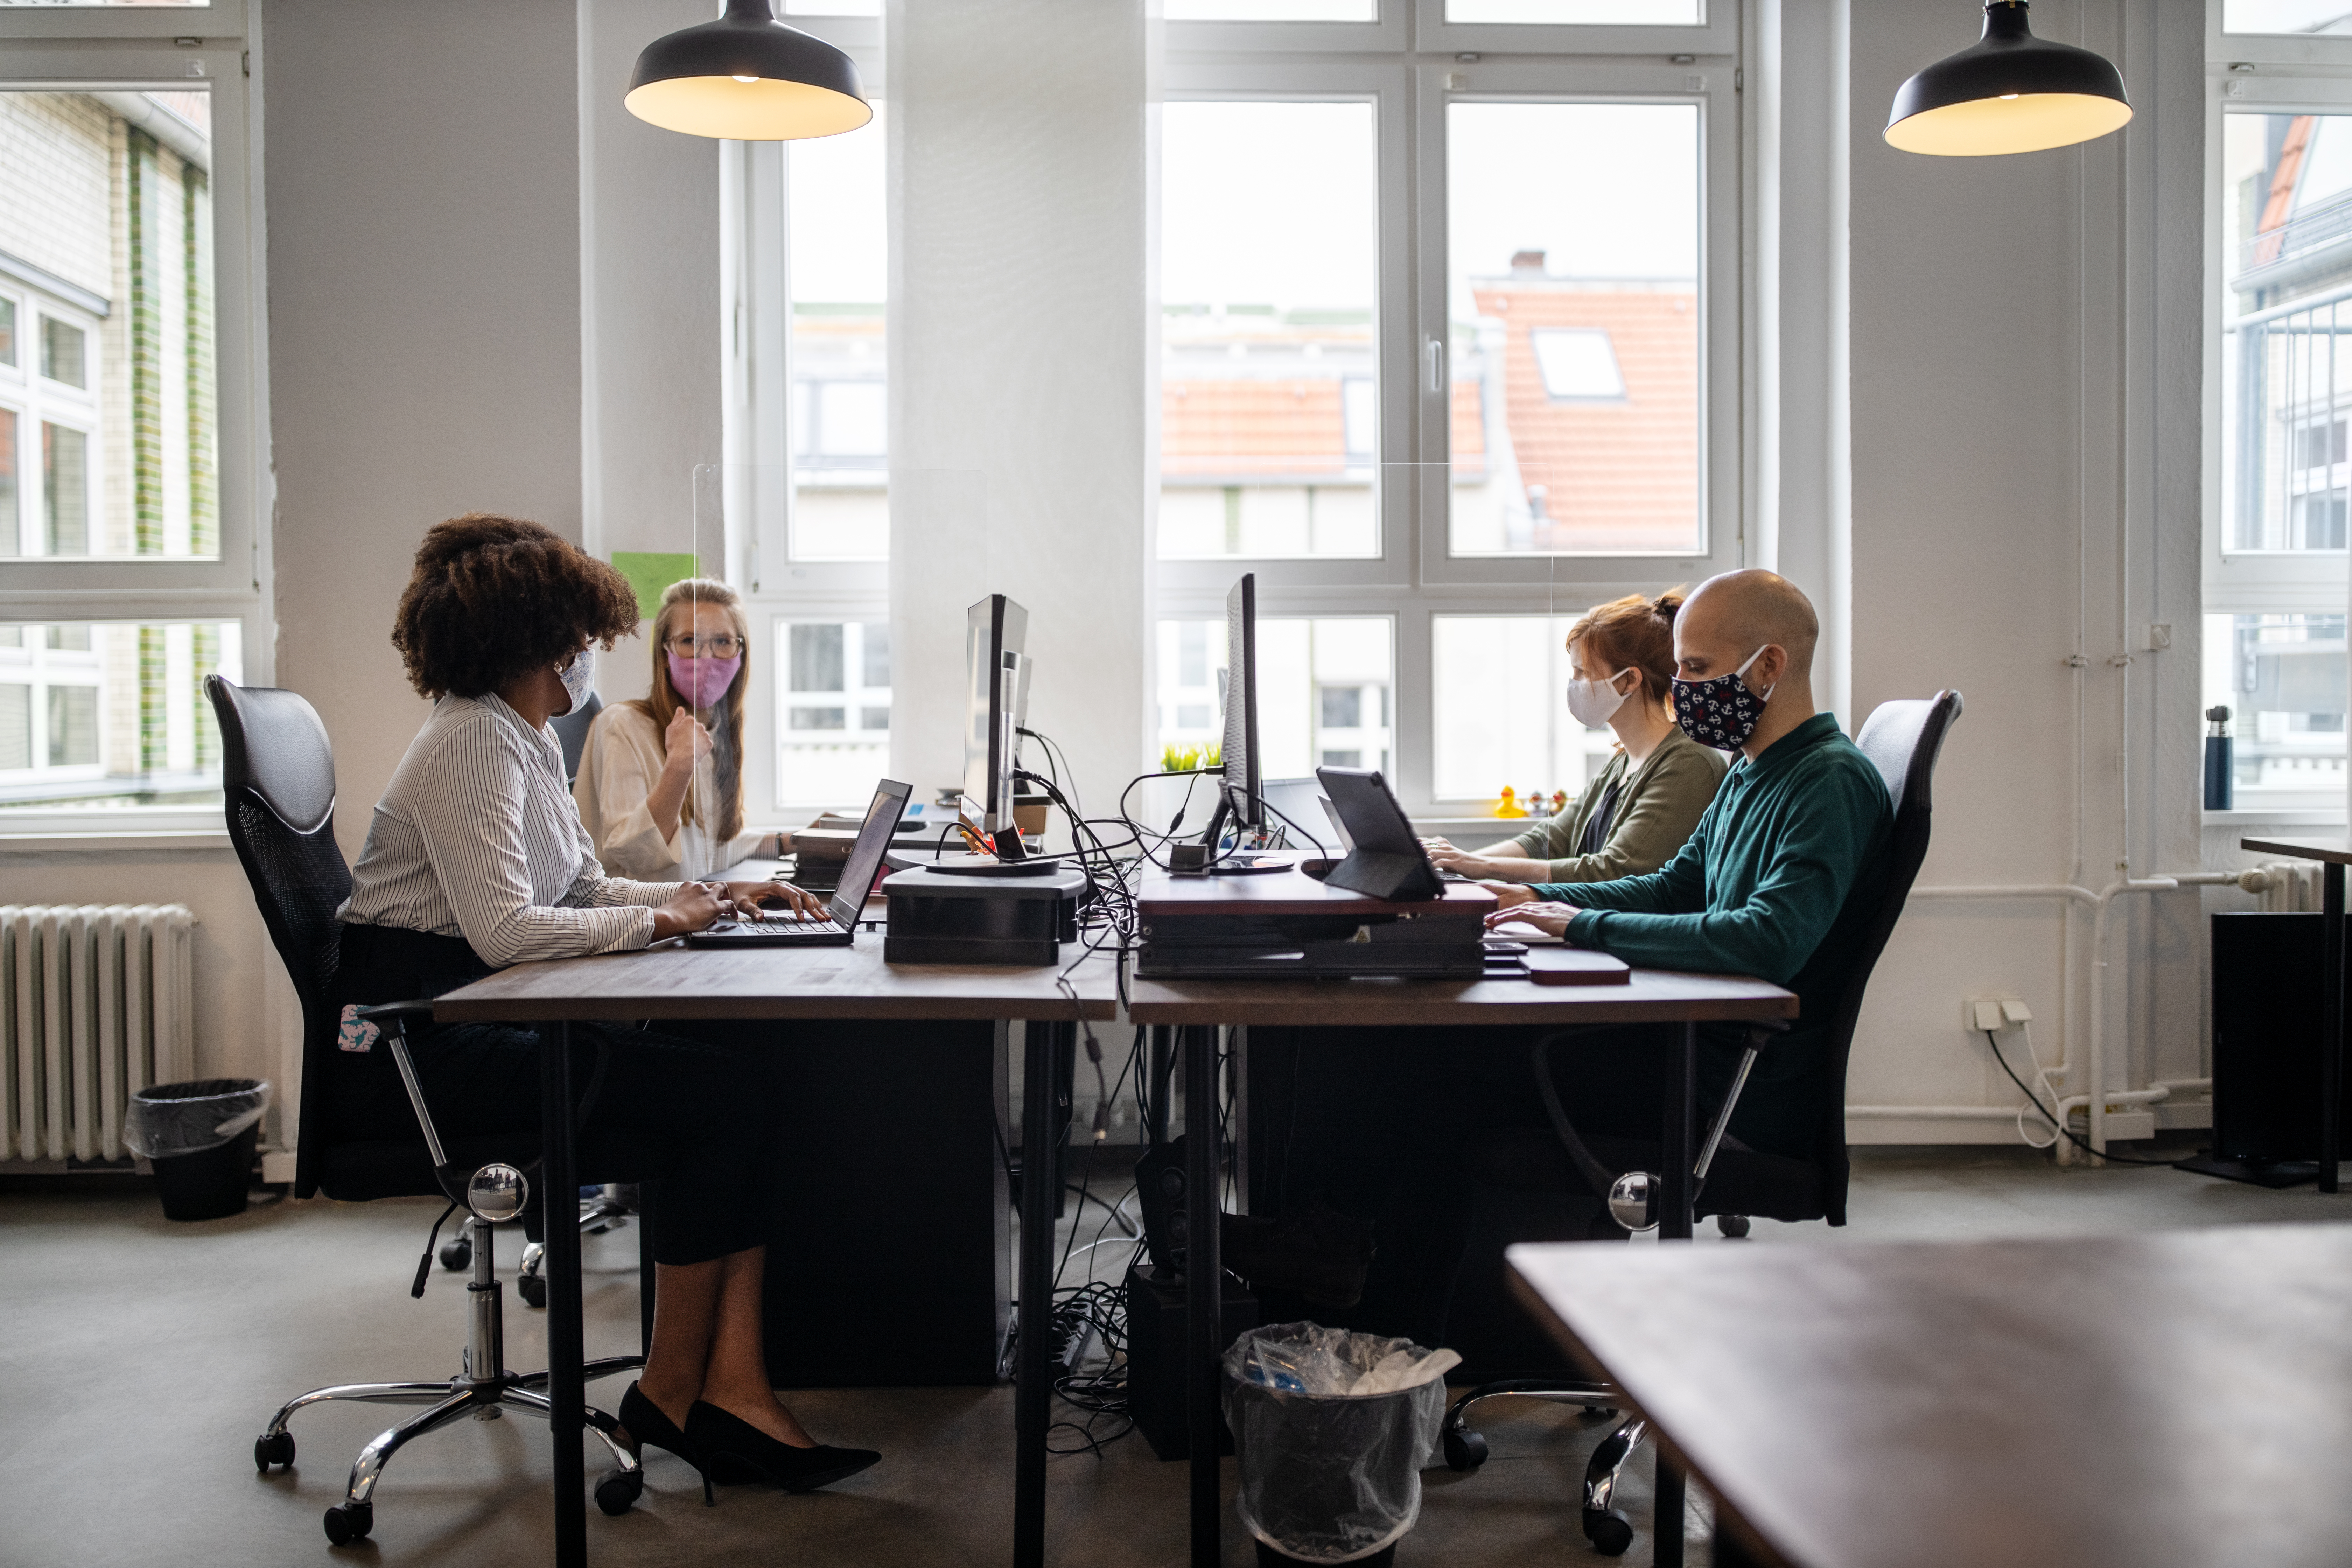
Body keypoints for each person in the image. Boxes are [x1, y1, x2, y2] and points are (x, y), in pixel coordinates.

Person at [334, 513, 878, 1498]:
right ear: (535, 638)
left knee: (731, 1090)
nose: (590, 653)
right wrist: (665, 924)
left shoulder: (522, 737)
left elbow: (580, 892)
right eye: (578, 634)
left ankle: (723, 1388)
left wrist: (710, 901)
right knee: (727, 1101)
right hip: (420, 1053)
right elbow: (508, 931)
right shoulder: (469, 743)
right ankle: (684, 1394)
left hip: (477, 1019)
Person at [1227, 569, 1892, 1342]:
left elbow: (1766, 937)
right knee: (1414, 1048)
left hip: (1718, 1081)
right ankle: (1369, 1315)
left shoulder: (1829, 781)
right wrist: (1540, 908)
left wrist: (1578, 927)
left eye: (1701, 671)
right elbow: (1678, 883)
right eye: (1681, 670)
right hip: (1688, 1044)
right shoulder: (1751, 768)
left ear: (1770, 666)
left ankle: (1341, 1275)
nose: (1684, 690)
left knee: (1404, 1040)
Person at [1423, 590, 1726, 886]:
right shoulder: (1623, 761)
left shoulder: (1688, 764)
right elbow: (1551, 839)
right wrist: (1457, 866)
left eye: (1583, 672)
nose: (1574, 684)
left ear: (1630, 680)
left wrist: (1479, 866)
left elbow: (1614, 871)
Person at [574, 577, 788, 881]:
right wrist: (679, 767)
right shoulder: (621, 725)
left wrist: (793, 841)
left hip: (691, 913)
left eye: (723, 642)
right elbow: (636, 855)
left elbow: (710, 848)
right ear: (664, 654)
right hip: (639, 920)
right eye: (689, 641)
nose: (707, 657)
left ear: (740, 654)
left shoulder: (716, 733)